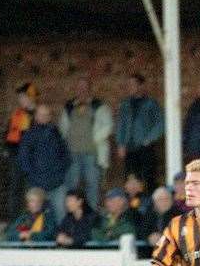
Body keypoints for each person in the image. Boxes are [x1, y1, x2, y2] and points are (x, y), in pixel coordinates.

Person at [59, 76, 114, 211]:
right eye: (79, 87)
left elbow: (108, 126)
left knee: (93, 186)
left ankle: (92, 217)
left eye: (84, 87)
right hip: (72, 153)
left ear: (89, 89)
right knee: (72, 186)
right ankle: (73, 216)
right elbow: (62, 128)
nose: (82, 90)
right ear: (76, 89)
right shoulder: (69, 106)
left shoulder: (99, 106)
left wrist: (94, 139)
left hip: (92, 153)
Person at [17, 104, 70, 222]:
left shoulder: (57, 134)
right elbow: (23, 159)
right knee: (35, 217)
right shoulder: (29, 135)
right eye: (41, 115)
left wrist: (60, 174)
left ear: (50, 117)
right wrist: (33, 177)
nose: (44, 117)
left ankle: (59, 239)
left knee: (60, 215)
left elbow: (65, 156)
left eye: (46, 115)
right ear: (36, 116)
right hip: (37, 184)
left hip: (56, 184)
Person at [115, 73, 164, 192]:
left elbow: (161, 123)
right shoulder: (125, 105)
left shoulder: (151, 104)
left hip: (145, 148)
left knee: (147, 179)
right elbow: (121, 125)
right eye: (129, 85)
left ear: (141, 86)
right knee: (131, 180)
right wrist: (120, 144)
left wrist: (149, 139)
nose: (130, 87)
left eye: (133, 84)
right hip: (130, 148)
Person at [4, 82, 37, 218]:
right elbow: (9, 134)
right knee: (15, 190)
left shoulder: (38, 115)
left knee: (31, 191)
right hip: (17, 157)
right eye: (20, 97)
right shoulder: (17, 114)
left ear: (31, 97)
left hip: (31, 159)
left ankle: (32, 221)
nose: (20, 100)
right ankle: (14, 222)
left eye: (23, 97)